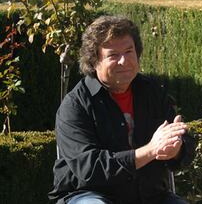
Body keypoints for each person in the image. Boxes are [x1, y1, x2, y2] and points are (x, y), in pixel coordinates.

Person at [48, 15, 193, 204]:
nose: (124, 61)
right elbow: (91, 169)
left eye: (128, 51)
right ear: (94, 62)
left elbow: (187, 146)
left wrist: (176, 149)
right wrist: (150, 150)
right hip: (90, 195)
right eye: (113, 55)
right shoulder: (75, 106)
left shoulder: (153, 92)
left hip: (151, 196)